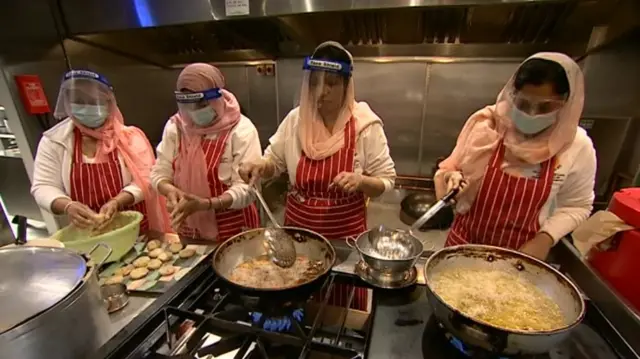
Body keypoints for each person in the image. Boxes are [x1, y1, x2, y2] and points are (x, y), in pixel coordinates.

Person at [239, 42, 396, 309]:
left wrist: (362, 182)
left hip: (343, 239)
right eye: (314, 83)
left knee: (342, 302)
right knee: (297, 298)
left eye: (331, 83)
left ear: (347, 84)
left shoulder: (364, 125)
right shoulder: (296, 120)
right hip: (297, 236)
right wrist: (260, 166)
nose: (321, 92)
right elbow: (274, 161)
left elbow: (387, 181)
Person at [434, 53, 596, 260]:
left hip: (520, 256)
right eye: (522, 104)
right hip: (464, 243)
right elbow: (451, 168)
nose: (531, 113)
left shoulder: (576, 146)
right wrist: (451, 178)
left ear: (566, 102)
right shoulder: (487, 126)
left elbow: (577, 205)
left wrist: (545, 238)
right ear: (512, 95)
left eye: (545, 107)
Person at [31, 70, 166, 233]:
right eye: (79, 101)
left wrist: (117, 201)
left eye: (94, 101)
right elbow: (43, 186)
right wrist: (68, 206)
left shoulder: (129, 137)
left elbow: (146, 179)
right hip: (87, 231)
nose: (87, 106)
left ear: (109, 103)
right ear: (67, 103)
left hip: (136, 229)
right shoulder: (55, 141)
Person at [151, 63, 261, 241]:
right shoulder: (175, 128)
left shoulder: (241, 130)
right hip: (189, 229)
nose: (194, 111)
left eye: (201, 103)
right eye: (188, 104)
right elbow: (159, 172)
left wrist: (206, 204)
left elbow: (248, 190)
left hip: (234, 229)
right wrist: (169, 190)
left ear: (217, 97)